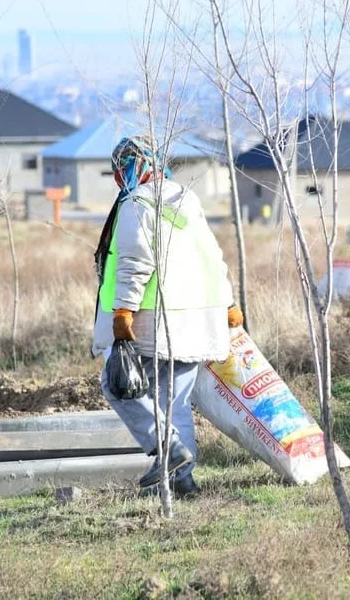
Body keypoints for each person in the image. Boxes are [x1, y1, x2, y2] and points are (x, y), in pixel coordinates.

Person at [92, 134, 243, 498]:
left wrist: (123, 313)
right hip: (196, 320)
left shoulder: (136, 204)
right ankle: (182, 482)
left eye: (121, 170)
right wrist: (226, 302)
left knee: (118, 386)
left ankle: (168, 450)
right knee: (173, 403)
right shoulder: (186, 199)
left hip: (153, 321)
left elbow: (133, 263)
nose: (119, 178)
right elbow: (211, 254)